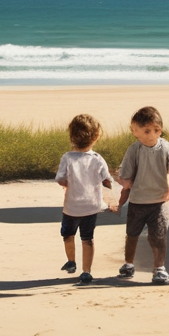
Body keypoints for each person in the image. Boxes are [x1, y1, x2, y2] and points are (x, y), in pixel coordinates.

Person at [116, 106, 169, 285]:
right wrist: (122, 183)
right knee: (132, 234)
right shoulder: (134, 150)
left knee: (159, 236)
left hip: (160, 202)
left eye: (154, 131)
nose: (150, 135)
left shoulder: (165, 147)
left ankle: (159, 268)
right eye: (145, 131)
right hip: (137, 201)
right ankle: (128, 264)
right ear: (134, 131)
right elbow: (125, 175)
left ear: (160, 130)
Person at [55, 113, 114, 285]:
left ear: (71, 136)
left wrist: (68, 184)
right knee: (87, 238)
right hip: (91, 206)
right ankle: (86, 271)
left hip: (72, 206)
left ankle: (71, 261)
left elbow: (60, 179)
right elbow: (107, 180)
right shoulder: (97, 159)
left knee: (67, 234)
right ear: (96, 137)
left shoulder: (67, 158)